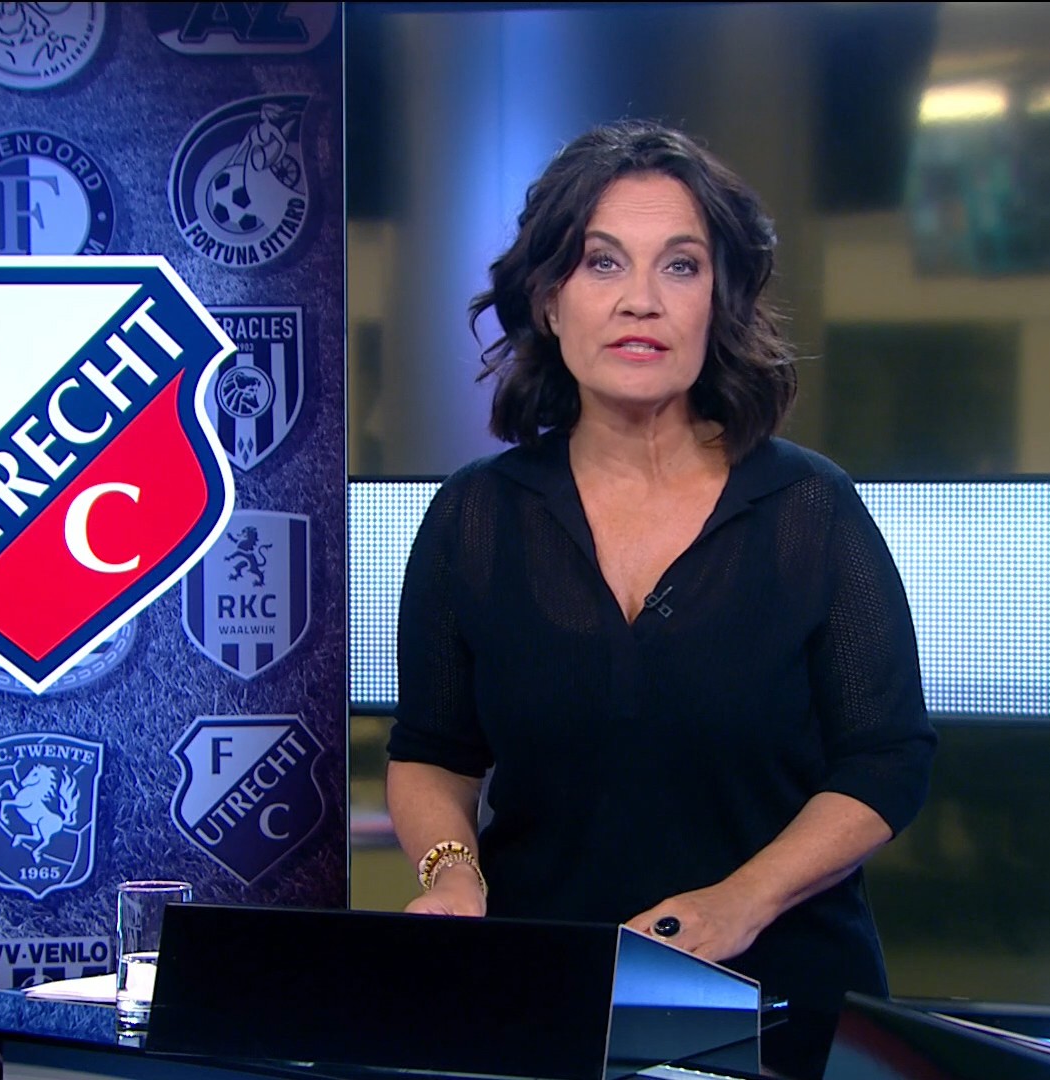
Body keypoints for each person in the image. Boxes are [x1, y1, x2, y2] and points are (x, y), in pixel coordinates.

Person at [385, 120, 937, 1080]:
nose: (640, 299)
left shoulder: (809, 510)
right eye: (602, 262)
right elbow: (433, 753)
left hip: (781, 1006)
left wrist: (741, 902)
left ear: (718, 300)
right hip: (546, 1002)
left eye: (680, 266)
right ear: (549, 300)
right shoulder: (476, 517)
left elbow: (887, 761)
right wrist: (452, 872)